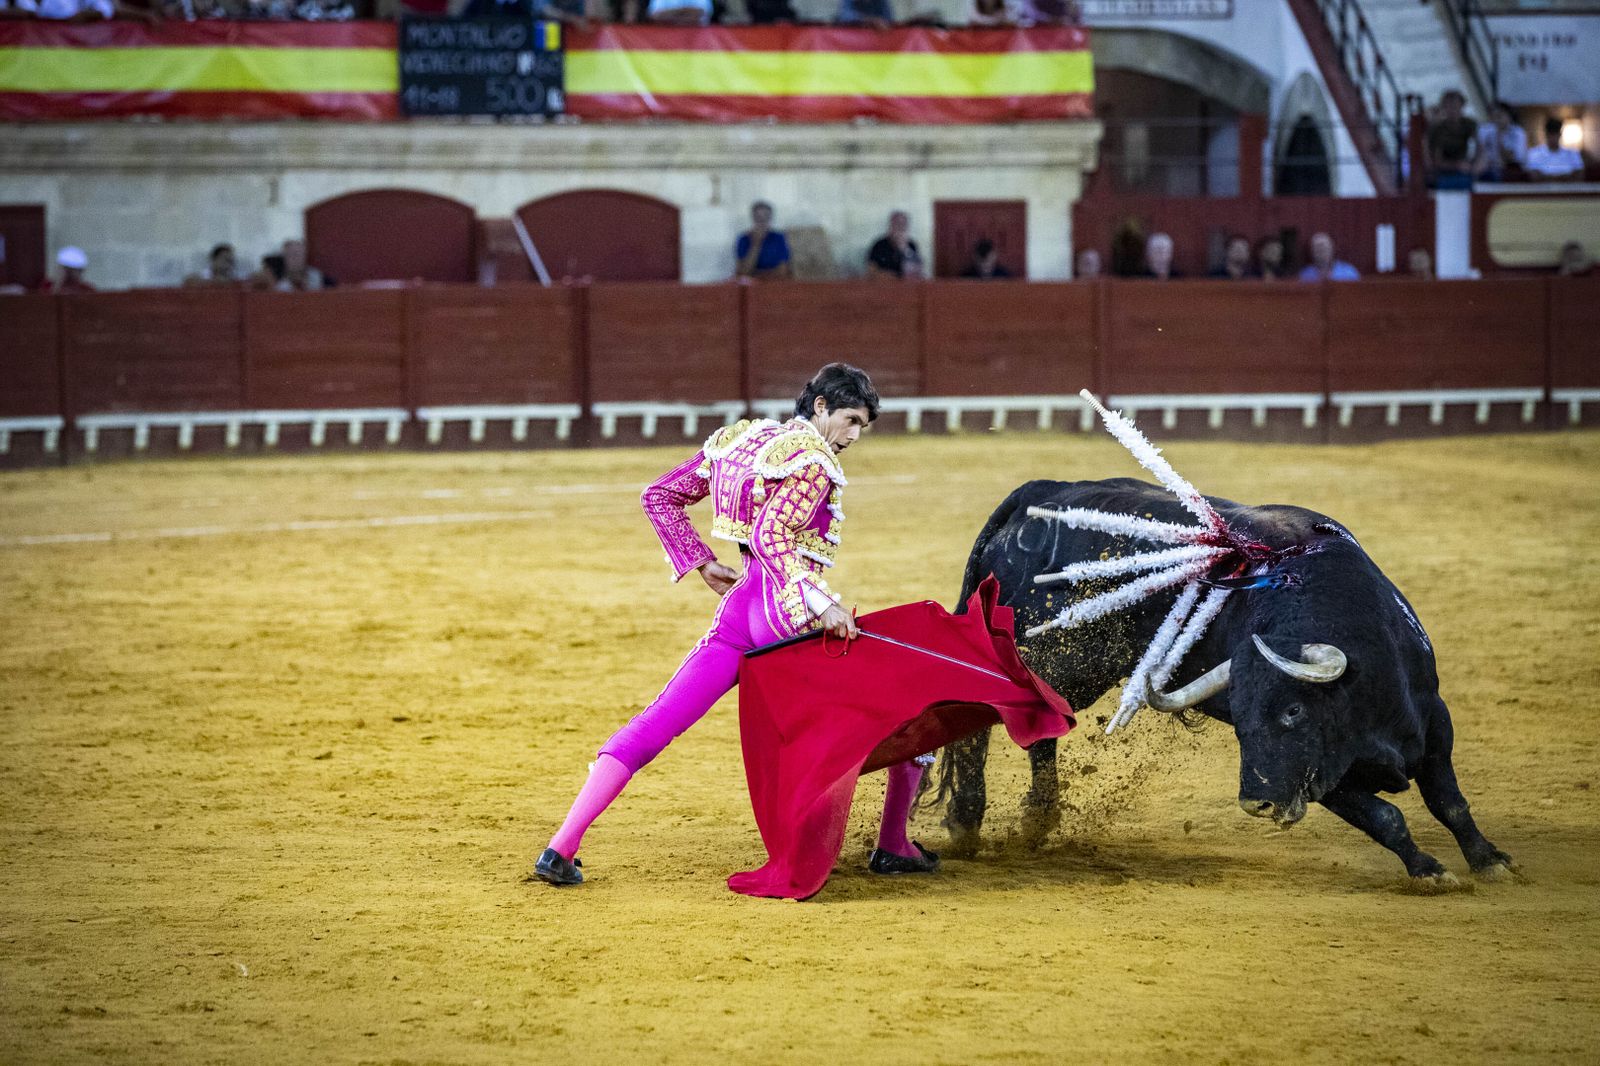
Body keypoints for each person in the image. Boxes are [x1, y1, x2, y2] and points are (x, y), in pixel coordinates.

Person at [533, 364, 942, 887]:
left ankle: (561, 847)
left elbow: (659, 496)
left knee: (656, 723)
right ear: (819, 407)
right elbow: (774, 538)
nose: (855, 436)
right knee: (914, 697)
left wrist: (702, 561)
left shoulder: (742, 439)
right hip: (787, 620)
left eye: (863, 426)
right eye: (850, 420)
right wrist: (821, 604)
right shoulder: (814, 460)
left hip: (739, 609)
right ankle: (893, 844)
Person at [1425, 90, 1478, 190]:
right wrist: (1457, 165)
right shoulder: (1437, 128)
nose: (1453, 110)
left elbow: (1480, 147)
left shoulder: (1470, 124)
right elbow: (1436, 160)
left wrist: (1475, 167)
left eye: (1456, 106)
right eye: (1448, 106)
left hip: (1465, 170)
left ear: (1462, 106)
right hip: (1443, 173)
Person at [734, 201, 792, 281]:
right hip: (751, 284)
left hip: (774, 282)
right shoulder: (744, 239)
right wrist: (756, 244)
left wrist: (758, 274)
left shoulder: (779, 238)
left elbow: (783, 270)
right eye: (758, 218)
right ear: (753, 218)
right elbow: (744, 271)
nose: (762, 222)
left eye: (765, 217)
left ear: (770, 218)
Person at [1476, 103, 1527, 182]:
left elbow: (1515, 159)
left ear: (1509, 116)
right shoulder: (1485, 130)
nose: (1497, 119)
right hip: (1489, 169)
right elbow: (1481, 155)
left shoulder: (1518, 133)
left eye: (1500, 116)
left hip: (1511, 169)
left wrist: (1499, 140)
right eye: (1495, 116)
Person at [866, 211, 925, 280]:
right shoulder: (879, 245)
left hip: (907, 287)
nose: (900, 228)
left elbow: (917, 270)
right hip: (884, 285)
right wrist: (894, 277)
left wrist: (904, 249)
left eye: (903, 225)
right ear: (891, 226)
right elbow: (871, 271)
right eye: (897, 224)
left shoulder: (911, 245)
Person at [1526, 117, 1584, 182]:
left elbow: (1579, 175)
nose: (1553, 138)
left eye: (1555, 134)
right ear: (1546, 135)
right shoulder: (1534, 153)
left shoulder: (1572, 153)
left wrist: (1548, 177)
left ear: (1560, 134)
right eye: (1550, 134)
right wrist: (1563, 177)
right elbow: (1534, 177)